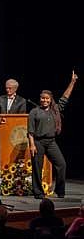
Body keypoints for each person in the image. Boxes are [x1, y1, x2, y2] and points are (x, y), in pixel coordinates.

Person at [28, 71, 78, 199]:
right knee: (37, 168)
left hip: (51, 142)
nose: (44, 100)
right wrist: (32, 145)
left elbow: (65, 97)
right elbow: (30, 131)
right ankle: (38, 192)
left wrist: (72, 82)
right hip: (38, 142)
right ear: (40, 99)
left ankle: (60, 191)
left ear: (50, 100)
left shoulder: (55, 110)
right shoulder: (34, 112)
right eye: (42, 98)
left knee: (61, 164)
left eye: (47, 98)